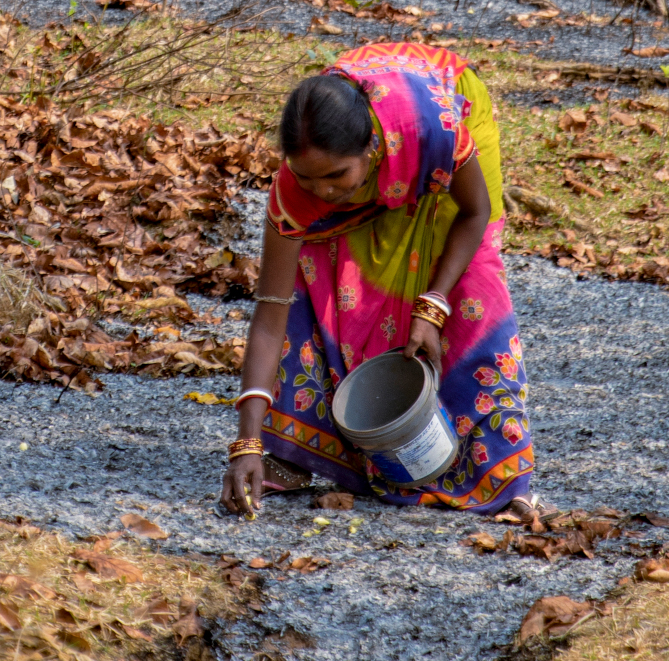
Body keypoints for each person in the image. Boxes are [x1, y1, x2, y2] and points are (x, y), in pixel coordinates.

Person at [221, 40, 535, 518]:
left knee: (473, 288)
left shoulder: (436, 132)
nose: (323, 192)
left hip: (447, 111)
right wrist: (246, 442)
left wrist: (432, 306)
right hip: (378, 140)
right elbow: (270, 315)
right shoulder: (295, 191)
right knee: (324, 271)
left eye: (335, 176)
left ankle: (494, 466)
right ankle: (300, 451)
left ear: (370, 148)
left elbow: (475, 213)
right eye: (308, 179)